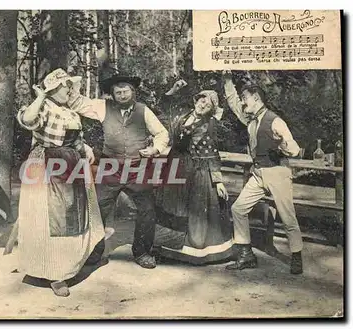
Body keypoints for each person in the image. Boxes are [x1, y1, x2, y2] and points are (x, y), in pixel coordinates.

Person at [16, 68, 106, 297]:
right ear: (54, 89)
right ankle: (54, 272)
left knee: (78, 214)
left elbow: (76, 137)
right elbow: (27, 120)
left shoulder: (69, 111)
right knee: (49, 219)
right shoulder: (43, 106)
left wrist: (84, 147)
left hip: (72, 162)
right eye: (66, 86)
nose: (70, 90)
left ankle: (74, 262)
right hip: (46, 164)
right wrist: (40, 97)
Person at [68, 74, 170, 269]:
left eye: (125, 91)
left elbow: (162, 133)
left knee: (147, 209)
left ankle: (142, 253)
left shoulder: (143, 110)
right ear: (112, 94)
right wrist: (75, 82)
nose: (122, 95)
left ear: (133, 92)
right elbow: (77, 103)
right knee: (98, 208)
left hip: (138, 167)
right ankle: (93, 253)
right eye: (118, 92)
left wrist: (155, 149)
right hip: (110, 167)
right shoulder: (103, 107)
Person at [222, 71, 303, 274]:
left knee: (287, 218)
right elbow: (232, 103)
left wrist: (281, 144)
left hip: (277, 173)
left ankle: (296, 256)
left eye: (245, 98)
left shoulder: (275, 121)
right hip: (258, 175)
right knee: (238, 209)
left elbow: (294, 150)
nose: (242, 102)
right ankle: (246, 255)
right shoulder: (250, 119)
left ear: (256, 98)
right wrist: (227, 81)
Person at [154, 80, 233, 264]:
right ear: (195, 100)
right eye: (201, 100)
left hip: (196, 170)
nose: (202, 104)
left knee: (193, 209)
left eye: (208, 103)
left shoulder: (210, 125)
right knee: (171, 206)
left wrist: (218, 180)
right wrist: (172, 91)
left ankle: (192, 252)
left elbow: (212, 152)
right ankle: (166, 247)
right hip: (174, 166)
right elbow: (162, 112)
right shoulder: (182, 116)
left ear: (212, 109)